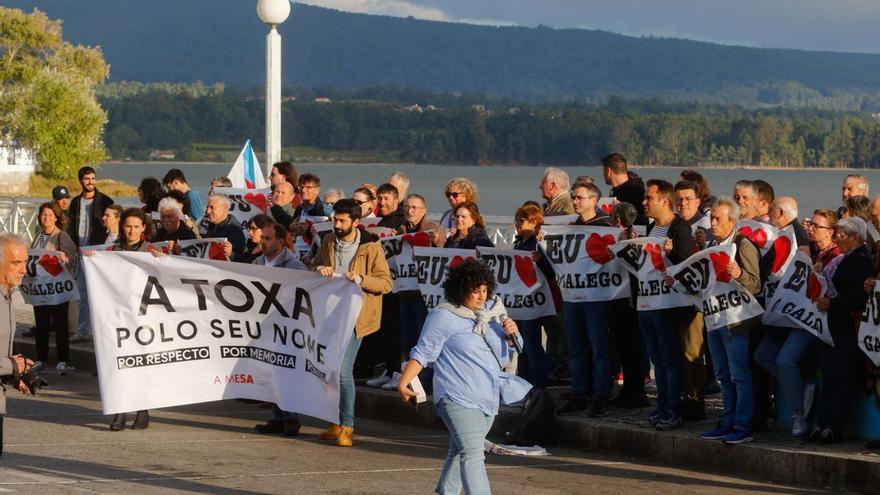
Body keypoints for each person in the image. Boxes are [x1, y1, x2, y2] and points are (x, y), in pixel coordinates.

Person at [398, 258, 521, 495]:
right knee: (473, 453)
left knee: (460, 449)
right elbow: (423, 352)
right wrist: (404, 381)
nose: (481, 296)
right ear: (460, 289)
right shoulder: (443, 316)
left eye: (485, 290)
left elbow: (505, 357)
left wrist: (512, 334)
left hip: (487, 397)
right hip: (456, 397)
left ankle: (446, 491)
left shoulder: (489, 316)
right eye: (475, 291)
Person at [311, 199, 392, 446]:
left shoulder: (370, 246)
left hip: (357, 317)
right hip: (331, 314)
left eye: (342, 220)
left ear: (356, 222)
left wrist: (361, 279)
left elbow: (385, 283)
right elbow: (313, 265)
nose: (336, 224)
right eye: (335, 219)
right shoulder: (328, 241)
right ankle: (335, 421)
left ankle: (347, 425)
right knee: (329, 370)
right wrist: (320, 268)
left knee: (344, 372)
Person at [699, 197, 762, 444]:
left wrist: (740, 274)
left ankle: (742, 425)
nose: (712, 222)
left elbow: (756, 285)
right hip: (715, 317)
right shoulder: (712, 245)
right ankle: (726, 421)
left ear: (732, 221)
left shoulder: (742, 245)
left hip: (736, 321)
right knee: (723, 375)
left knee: (739, 375)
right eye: (711, 217)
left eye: (717, 218)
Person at [808, 217, 874, 444]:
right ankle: (823, 423)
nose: (838, 238)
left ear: (856, 238)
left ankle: (835, 427)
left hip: (846, 327)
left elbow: (857, 298)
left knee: (842, 378)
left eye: (843, 235)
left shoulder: (861, 261)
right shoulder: (849, 258)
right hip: (834, 326)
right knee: (830, 377)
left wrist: (831, 303)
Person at [639, 179, 696, 428]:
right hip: (648, 303)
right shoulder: (652, 228)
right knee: (658, 361)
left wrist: (672, 254)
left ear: (664, 200)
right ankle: (662, 406)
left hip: (669, 305)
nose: (644, 203)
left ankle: (673, 409)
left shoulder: (680, 229)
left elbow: (688, 264)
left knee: (671, 361)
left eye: (649, 198)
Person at [252, 222, 307, 436]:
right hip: (263, 324)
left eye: (267, 238)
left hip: (285, 326)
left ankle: (290, 418)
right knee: (270, 370)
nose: (262, 242)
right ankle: (277, 417)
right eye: (262, 238)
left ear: (281, 241)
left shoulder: (294, 266)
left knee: (284, 371)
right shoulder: (257, 262)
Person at [106, 208, 156, 431]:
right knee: (118, 365)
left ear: (143, 228)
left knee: (140, 364)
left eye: (136, 226)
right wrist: (91, 259)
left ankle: (142, 410)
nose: (131, 231)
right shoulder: (111, 252)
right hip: (118, 317)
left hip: (144, 317)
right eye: (128, 226)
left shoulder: (152, 252)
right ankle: (119, 412)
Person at [608, 202, 649, 408]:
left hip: (628, 300)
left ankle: (635, 391)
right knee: (631, 348)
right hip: (631, 299)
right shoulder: (638, 235)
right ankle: (633, 390)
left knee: (630, 348)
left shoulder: (629, 238)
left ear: (617, 220)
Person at [0, 233, 37, 457]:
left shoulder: (9, 295)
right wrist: (13, 367)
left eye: (25, 262)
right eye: (16, 263)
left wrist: (17, 375)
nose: (24, 269)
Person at [30, 203, 77, 375]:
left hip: (57, 291)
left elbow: (71, 260)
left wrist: (64, 258)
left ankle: (63, 360)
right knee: (41, 325)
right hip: (41, 290)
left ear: (56, 217)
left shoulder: (61, 236)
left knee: (60, 325)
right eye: (43, 215)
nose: (46, 218)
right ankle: (41, 359)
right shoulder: (38, 236)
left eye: (50, 215)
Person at [512, 204, 553, 387]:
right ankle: (524, 381)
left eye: (522, 220)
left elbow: (552, 272)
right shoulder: (518, 242)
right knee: (520, 344)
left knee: (531, 344)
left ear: (534, 222)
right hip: (521, 301)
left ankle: (538, 382)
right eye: (517, 219)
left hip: (533, 301)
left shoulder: (537, 244)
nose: (517, 223)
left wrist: (541, 260)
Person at [68, 166, 115, 248]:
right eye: (87, 179)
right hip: (78, 249)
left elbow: (113, 226)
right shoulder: (75, 202)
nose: (91, 182)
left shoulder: (106, 201)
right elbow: (71, 227)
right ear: (80, 181)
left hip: (97, 249)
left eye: (93, 178)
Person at [602, 152, 647, 225]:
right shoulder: (618, 190)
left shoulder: (635, 190)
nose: (602, 175)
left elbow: (642, 219)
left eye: (603, 171)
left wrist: (622, 210)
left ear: (608, 171)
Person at [205, 194, 246, 262]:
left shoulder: (235, 231)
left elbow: (243, 260)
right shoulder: (211, 226)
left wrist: (230, 254)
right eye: (207, 207)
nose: (207, 211)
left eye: (212, 207)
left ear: (225, 207)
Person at [674, 180, 713, 249]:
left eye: (688, 199)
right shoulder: (673, 224)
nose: (683, 203)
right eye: (679, 199)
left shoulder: (705, 227)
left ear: (697, 202)